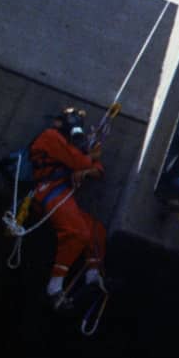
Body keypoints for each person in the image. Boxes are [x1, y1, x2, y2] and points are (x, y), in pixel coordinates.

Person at [29, 108, 107, 306]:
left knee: (96, 230)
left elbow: (98, 171)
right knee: (77, 233)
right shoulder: (51, 136)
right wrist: (90, 157)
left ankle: (92, 278)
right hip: (48, 191)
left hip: (62, 192)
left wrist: (88, 166)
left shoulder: (71, 144)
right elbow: (79, 161)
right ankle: (54, 289)